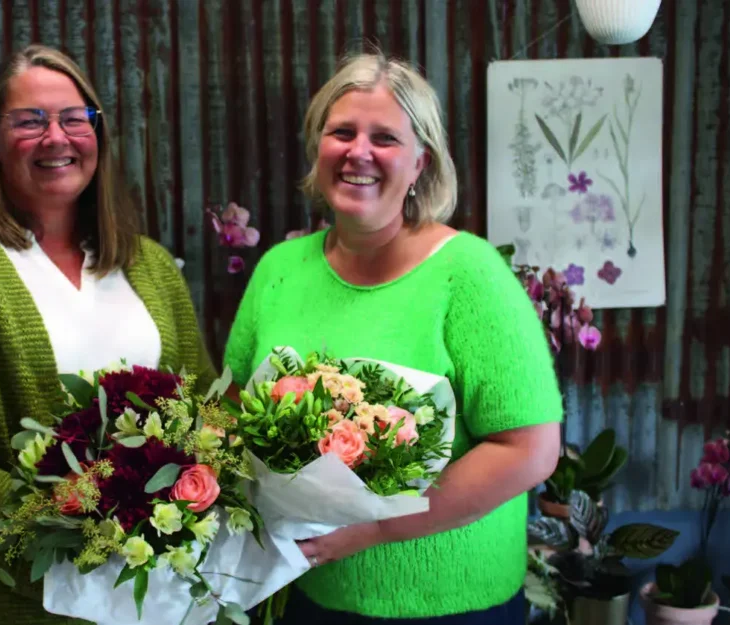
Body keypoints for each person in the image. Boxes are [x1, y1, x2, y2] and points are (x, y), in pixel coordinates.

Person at [0, 44, 215, 625]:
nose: (57, 137)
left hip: (156, 595)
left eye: (75, 118)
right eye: (29, 121)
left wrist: (188, 520)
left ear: (97, 133)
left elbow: (203, 404)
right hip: (8, 604)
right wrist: (76, 551)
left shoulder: (146, 264)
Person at [223, 52, 562, 624]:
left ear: (420, 163)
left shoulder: (469, 276)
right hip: (301, 590)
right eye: (342, 132)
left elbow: (528, 450)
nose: (359, 152)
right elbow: (232, 404)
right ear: (318, 146)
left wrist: (375, 528)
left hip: (451, 605)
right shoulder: (280, 269)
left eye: (385, 137)